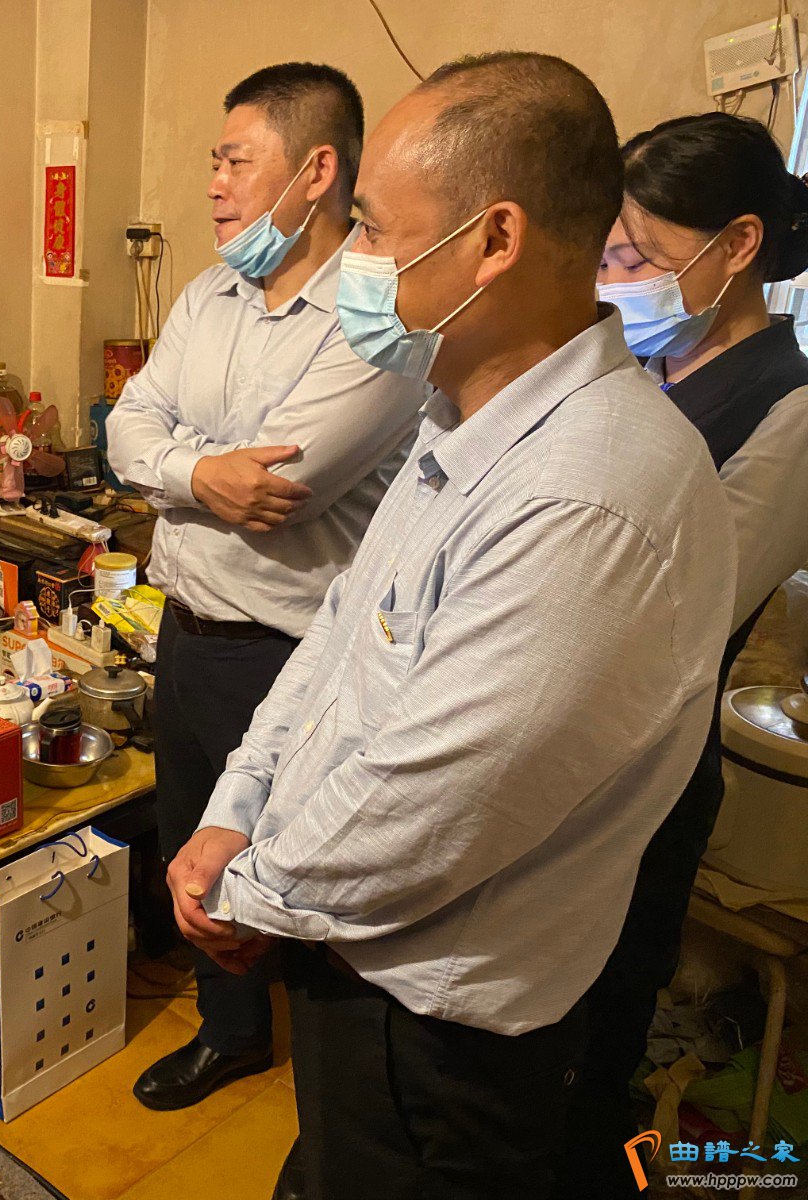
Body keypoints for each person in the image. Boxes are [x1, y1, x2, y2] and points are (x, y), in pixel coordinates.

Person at [166, 53, 736, 1198]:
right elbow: (337, 643)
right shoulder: (461, 416)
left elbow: (435, 796)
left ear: (493, 241)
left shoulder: (587, 489)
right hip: (344, 947)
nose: (356, 260)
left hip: (434, 1023)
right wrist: (236, 810)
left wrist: (251, 894)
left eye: (375, 230)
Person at [107, 62, 426, 1114]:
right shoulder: (209, 295)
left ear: (316, 171)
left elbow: (286, 488)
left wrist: (175, 463)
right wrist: (204, 472)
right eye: (215, 162)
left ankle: (325, 1109)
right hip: (186, 630)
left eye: (235, 161)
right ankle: (230, 1035)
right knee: (193, 848)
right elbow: (123, 429)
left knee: (293, 870)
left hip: (290, 653)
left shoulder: (376, 321)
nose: (213, 185)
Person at [559, 112, 808, 1197]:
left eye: (638, 259)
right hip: (564, 745)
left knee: (594, 1029)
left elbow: (686, 611)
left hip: (646, 770)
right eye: (607, 257)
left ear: (739, 244)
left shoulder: (789, 409)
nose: (614, 282)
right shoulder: (639, 367)